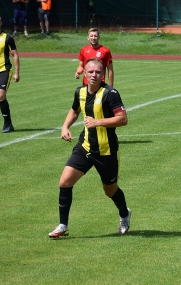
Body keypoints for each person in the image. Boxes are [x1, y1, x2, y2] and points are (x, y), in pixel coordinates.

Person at [49, 58, 131, 238]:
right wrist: (65, 127)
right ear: (84, 73)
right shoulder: (80, 92)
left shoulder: (111, 93)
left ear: (103, 75)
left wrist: (97, 122)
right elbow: (74, 110)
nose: (94, 75)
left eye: (98, 72)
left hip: (106, 151)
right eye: (91, 72)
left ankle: (124, 213)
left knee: (110, 190)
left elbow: (123, 119)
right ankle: (63, 225)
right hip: (84, 147)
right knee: (65, 182)